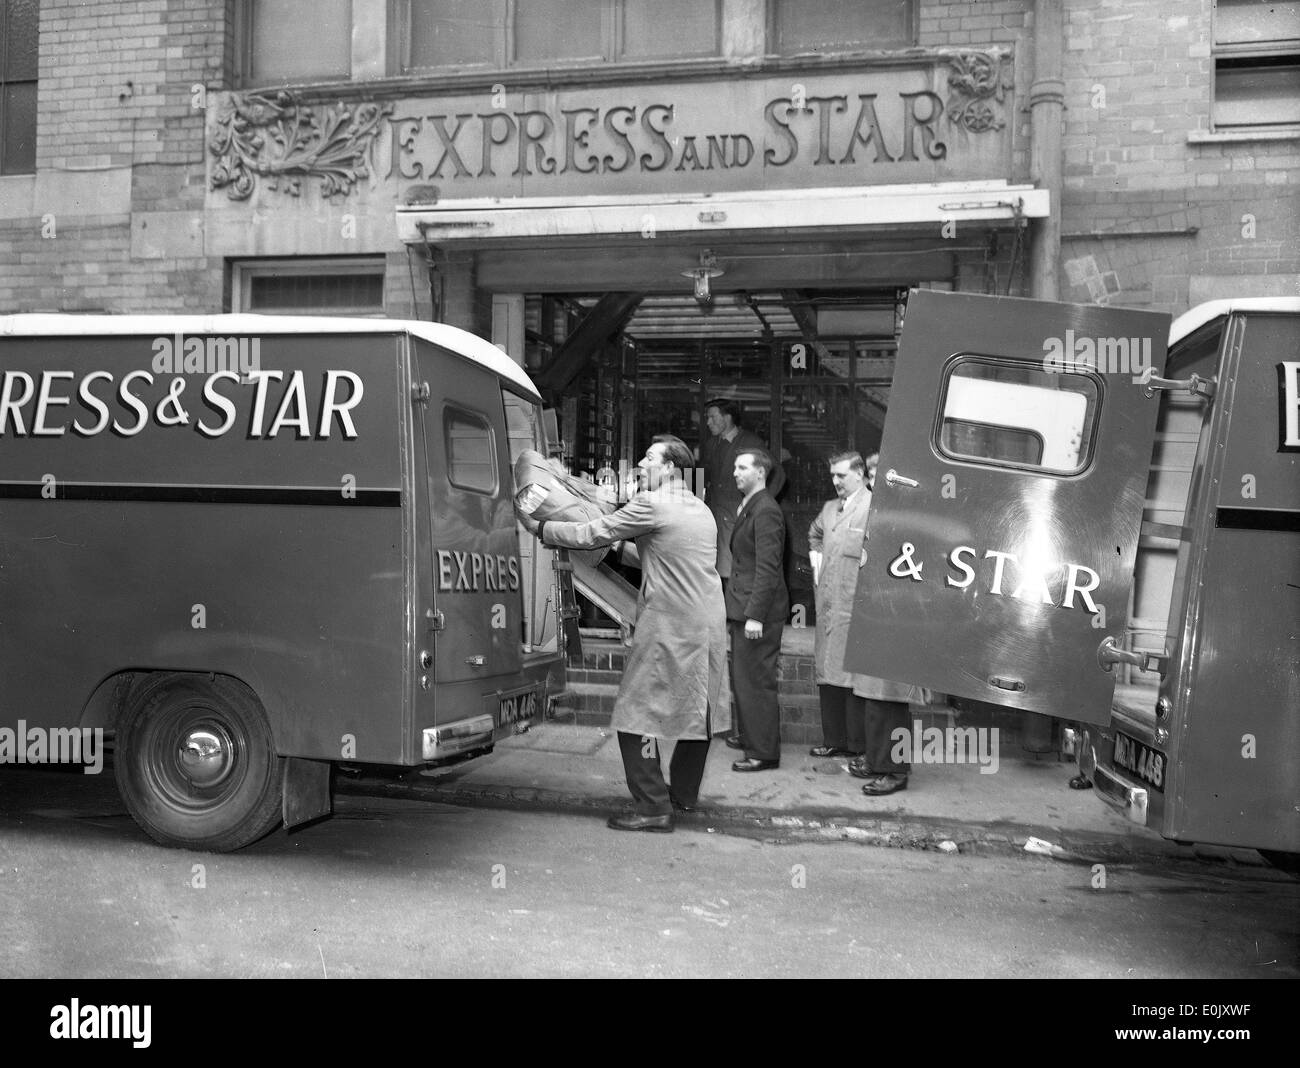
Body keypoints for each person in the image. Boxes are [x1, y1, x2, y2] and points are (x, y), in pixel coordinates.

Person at [518, 434, 726, 832]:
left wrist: (542, 528)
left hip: (670, 625)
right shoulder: (698, 507)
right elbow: (654, 552)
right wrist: (615, 549)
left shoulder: (652, 503)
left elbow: (594, 532)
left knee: (635, 715)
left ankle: (652, 807)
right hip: (706, 622)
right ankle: (681, 795)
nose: (641, 466)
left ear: (668, 468)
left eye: (649, 458)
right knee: (698, 710)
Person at [844, 454, 928, 796]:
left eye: (882, 471)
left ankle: (895, 770)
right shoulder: (879, 510)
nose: (876, 477)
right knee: (871, 695)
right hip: (875, 613)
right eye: (873, 471)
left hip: (898, 615)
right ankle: (876, 758)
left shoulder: (913, 512)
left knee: (890, 698)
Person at [806, 450, 874, 759]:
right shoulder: (830, 508)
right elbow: (814, 535)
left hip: (855, 607)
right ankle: (834, 740)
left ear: (859, 474)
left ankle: (857, 746)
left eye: (841, 475)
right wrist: (819, 570)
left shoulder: (873, 506)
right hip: (829, 602)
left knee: (853, 680)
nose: (835, 481)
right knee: (829, 674)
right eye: (833, 475)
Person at [725, 448, 789, 772]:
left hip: (756, 612)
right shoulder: (752, 506)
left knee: (755, 682)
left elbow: (768, 568)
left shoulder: (765, 510)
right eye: (735, 467)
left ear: (760, 473)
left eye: (742, 467)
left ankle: (763, 752)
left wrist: (755, 615)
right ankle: (752, 736)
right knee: (745, 679)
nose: (735, 472)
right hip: (744, 607)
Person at [699, 398, 785, 581]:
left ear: (727, 418)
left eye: (713, 417)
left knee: (738, 575)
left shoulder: (750, 443)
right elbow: (702, 477)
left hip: (737, 523)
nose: (708, 422)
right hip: (715, 523)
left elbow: (778, 475)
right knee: (716, 575)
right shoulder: (711, 444)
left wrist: (758, 507)